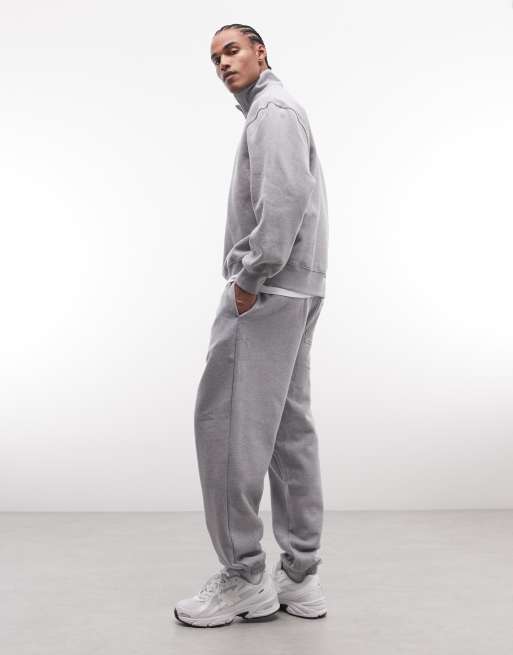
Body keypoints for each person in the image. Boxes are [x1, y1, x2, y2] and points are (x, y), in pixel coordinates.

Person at [174, 23, 329, 627]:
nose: (222, 63)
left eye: (232, 50)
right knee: (288, 433)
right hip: (298, 288)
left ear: (261, 52)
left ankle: (243, 578)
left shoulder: (271, 112)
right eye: (215, 57)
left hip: (267, 292)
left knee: (225, 428)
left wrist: (249, 278)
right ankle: (300, 576)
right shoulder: (276, 111)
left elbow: (283, 200)